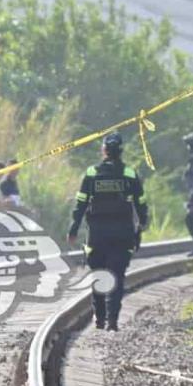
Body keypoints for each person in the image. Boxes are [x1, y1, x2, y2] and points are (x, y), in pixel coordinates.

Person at [67, 133, 149, 331]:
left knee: (99, 275)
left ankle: (99, 318)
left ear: (104, 150)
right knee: (117, 276)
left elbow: (81, 203)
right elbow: (141, 204)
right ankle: (112, 321)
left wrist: (73, 228)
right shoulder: (129, 173)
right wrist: (141, 225)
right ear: (121, 151)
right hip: (122, 234)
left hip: (97, 234)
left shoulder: (92, 173)